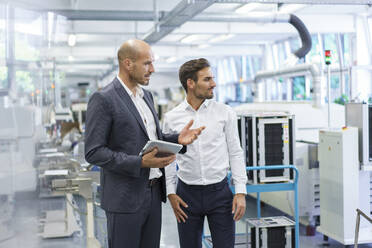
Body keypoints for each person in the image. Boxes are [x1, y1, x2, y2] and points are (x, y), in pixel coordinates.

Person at [84, 39, 204, 248]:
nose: (153, 69)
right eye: (147, 63)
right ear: (128, 64)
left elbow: (148, 140)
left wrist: (177, 139)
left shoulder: (146, 96)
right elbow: (94, 152)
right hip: (124, 200)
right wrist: (139, 163)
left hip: (152, 194)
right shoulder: (104, 99)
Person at [163, 58, 248, 248]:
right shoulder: (171, 118)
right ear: (190, 83)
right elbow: (169, 158)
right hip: (186, 195)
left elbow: (235, 152)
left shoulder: (225, 113)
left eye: (213, 78)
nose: (214, 84)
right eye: (207, 79)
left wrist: (240, 191)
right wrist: (170, 193)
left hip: (220, 193)